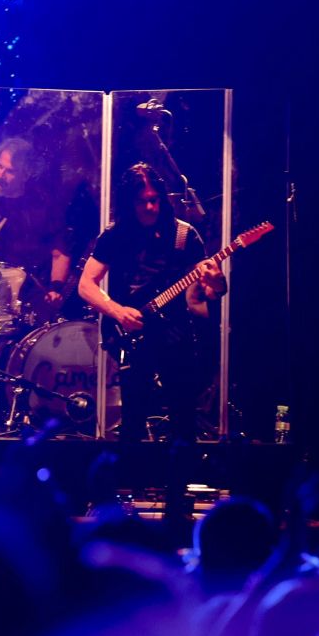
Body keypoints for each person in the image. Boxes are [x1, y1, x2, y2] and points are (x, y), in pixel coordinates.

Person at [75, 162, 226, 443]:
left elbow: (212, 291)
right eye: (142, 202)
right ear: (129, 203)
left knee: (183, 416)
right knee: (132, 417)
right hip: (132, 334)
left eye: (154, 200)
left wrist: (215, 279)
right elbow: (85, 285)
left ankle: (177, 483)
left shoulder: (184, 235)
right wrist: (117, 312)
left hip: (175, 334)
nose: (149, 207)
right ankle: (132, 482)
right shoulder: (115, 235)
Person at [0, 136, 78, 321]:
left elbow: (59, 252)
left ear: (26, 174)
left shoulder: (43, 206)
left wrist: (55, 288)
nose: (0, 175)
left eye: (10, 171)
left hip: (30, 290)